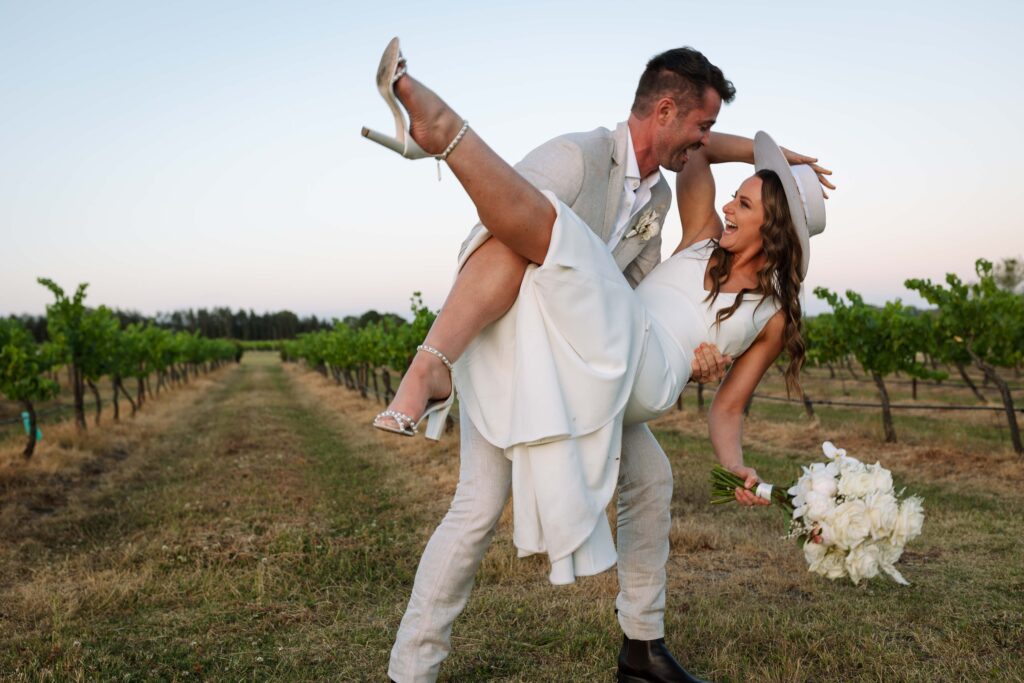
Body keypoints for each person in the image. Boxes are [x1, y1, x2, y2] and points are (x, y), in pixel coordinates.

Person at [361, 39, 829, 683]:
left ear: (772, 228)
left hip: (641, 368)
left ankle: (451, 138)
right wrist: (768, 157)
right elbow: (700, 151)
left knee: (561, 237)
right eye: (735, 195)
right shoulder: (696, 238)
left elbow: (729, 409)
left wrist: (736, 466)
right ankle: (631, 652)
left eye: (746, 203)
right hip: (595, 349)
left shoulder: (768, 316)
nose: (726, 204)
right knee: (570, 491)